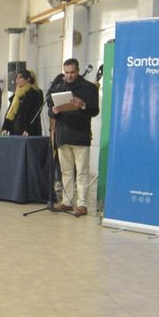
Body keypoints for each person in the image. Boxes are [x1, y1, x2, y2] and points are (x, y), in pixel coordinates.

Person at [47, 58, 101, 216]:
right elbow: (51, 110)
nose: (69, 76)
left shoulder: (89, 88)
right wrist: (54, 111)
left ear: (78, 71)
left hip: (81, 134)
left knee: (82, 172)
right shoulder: (58, 87)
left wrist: (82, 105)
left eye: (72, 72)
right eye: (66, 73)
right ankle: (66, 201)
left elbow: (95, 110)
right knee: (66, 171)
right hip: (63, 134)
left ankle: (82, 204)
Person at [2, 69, 43, 136]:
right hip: (15, 130)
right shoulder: (16, 94)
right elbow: (10, 111)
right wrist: (5, 127)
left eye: (20, 77)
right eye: (17, 77)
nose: (17, 80)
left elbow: (34, 114)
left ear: (28, 79)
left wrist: (28, 130)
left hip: (29, 132)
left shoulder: (35, 93)